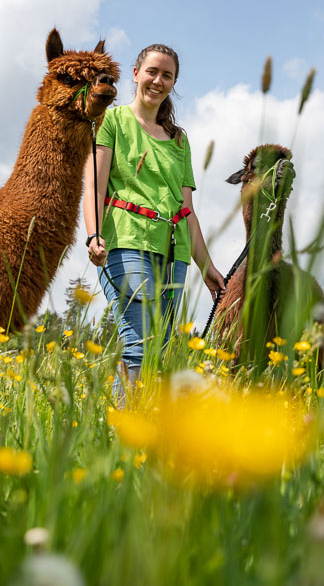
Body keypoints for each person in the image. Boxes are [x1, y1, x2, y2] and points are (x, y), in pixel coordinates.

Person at [82, 43, 225, 399]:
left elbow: (186, 210)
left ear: (173, 82)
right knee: (140, 344)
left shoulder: (179, 140)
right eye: (152, 71)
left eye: (167, 75)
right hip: (126, 240)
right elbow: (94, 185)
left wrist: (207, 267)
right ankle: (124, 436)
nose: (158, 80)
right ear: (135, 74)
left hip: (174, 252)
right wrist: (93, 235)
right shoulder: (112, 120)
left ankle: (144, 434)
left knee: (159, 349)